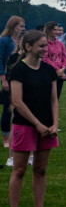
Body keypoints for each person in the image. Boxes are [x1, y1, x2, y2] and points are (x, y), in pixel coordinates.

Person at [7, 29, 58, 207]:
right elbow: (17, 102)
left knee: (41, 169)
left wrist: (53, 123)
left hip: (47, 128)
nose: (46, 49)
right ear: (28, 47)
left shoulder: (48, 70)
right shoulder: (18, 70)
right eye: (41, 46)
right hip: (25, 125)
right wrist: (37, 124)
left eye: (46, 45)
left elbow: (54, 100)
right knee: (19, 170)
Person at [1, 15, 26, 151]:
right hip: (8, 78)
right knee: (7, 109)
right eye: (20, 26)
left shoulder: (21, 41)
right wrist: (3, 79)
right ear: (13, 26)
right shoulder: (4, 40)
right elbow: (0, 60)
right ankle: (5, 138)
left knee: (19, 109)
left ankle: (17, 136)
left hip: (20, 78)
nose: (23, 29)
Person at [41, 22, 66, 100]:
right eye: (54, 30)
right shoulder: (44, 43)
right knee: (47, 96)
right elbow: (45, 58)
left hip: (60, 73)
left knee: (57, 96)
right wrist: (58, 69)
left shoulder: (60, 44)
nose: (57, 32)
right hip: (48, 72)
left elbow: (65, 58)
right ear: (49, 30)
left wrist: (63, 68)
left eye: (57, 30)